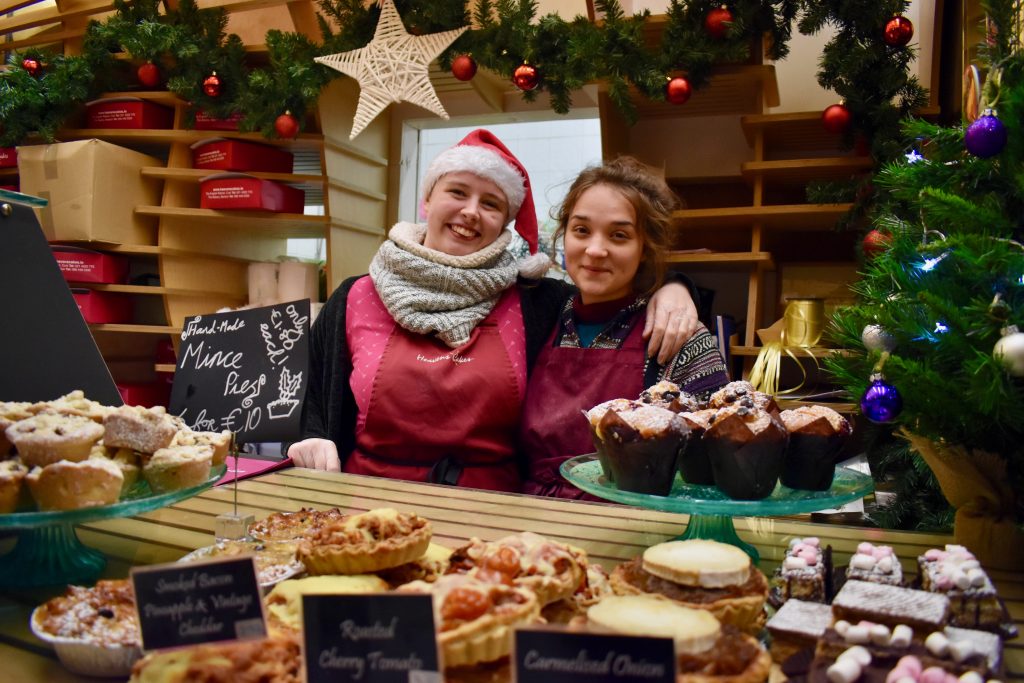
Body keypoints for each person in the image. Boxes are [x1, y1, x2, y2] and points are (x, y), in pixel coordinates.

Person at [287, 130, 699, 491]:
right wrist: (313, 439)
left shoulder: (537, 299)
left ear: (505, 224)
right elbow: (315, 404)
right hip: (369, 506)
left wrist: (675, 285)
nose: (470, 211)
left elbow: (611, 287)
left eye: (490, 203)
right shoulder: (355, 297)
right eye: (457, 192)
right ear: (427, 199)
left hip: (494, 515)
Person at [519, 157, 730, 498]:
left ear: (645, 248)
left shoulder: (681, 336)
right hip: (529, 520)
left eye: (619, 235)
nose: (595, 250)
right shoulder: (540, 316)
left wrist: (676, 285)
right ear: (563, 235)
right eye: (581, 230)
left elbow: (709, 472)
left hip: (631, 527)